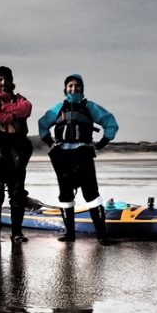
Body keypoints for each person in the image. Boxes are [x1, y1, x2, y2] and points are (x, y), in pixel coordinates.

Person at [37, 74, 119, 244]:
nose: (73, 89)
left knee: (91, 193)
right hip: (61, 155)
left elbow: (110, 122)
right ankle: (70, 235)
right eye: (70, 86)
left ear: (82, 88)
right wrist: (49, 142)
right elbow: (43, 124)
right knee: (65, 193)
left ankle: (102, 237)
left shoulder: (90, 107)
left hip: (83, 153)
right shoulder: (58, 108)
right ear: (65, 89)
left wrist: (102, 142)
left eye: (77, 86)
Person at [0, 66, 34, 243]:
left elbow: (26, 109)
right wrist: (11, 116)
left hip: (16, 148)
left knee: (17, 191)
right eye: (0, 79)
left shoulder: (21, 99)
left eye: (6, 79)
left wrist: (1, 110)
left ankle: (16, 233)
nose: (3, 82)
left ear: (11, 81)